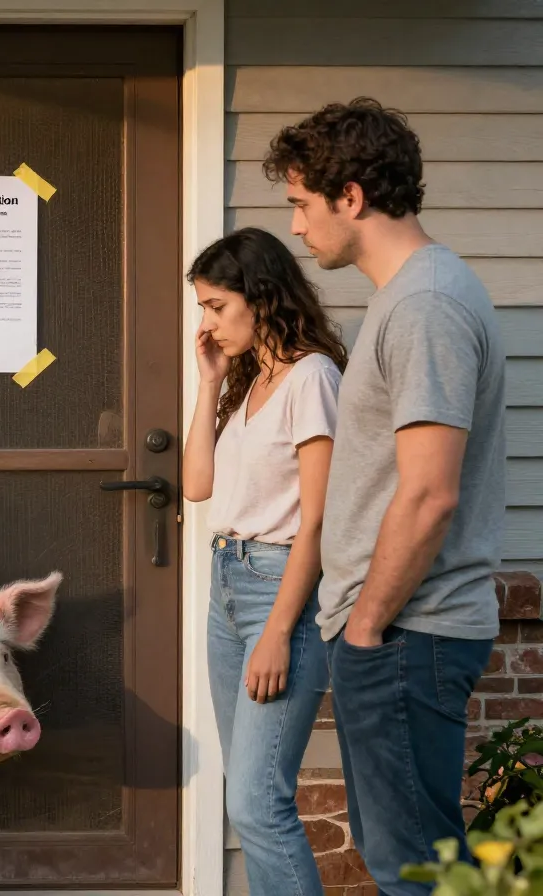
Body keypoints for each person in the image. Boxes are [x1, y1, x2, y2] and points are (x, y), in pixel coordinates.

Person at [262, 97, 506, 894]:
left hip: (405, 629)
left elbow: (429, 493)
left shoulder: (426, 304)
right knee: (408, 857)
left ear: (352, 197)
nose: (297, 228)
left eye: (301, 204)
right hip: (396, 629)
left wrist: (366, 628)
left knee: (417, 872)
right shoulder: (410, 296)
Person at [183, 226, 347, 896]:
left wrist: (279, 630)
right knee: (246, 797)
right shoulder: (249, 383)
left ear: (261, 296)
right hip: (228, 585)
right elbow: (197, 486)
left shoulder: (313, 379)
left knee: (258, 801)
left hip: (281, 592)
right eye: (202, 308)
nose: (208, 322)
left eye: (216, 306)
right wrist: (209, 385)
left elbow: (319, 520)